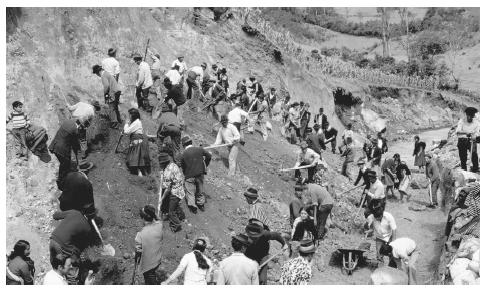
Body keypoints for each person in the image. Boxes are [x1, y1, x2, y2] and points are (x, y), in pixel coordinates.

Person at [48, 119, 88, 189]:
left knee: (64, 164)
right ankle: (61, 184)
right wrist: (78, 162)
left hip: (55, 144)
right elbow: (75, 145)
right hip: (61, 149)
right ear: (80, 126)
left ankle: (63, 179)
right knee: (65, 165)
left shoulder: (69, 121)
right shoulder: (75, 130)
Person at [181, 135, 212, 214]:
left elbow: (183, 166)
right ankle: (201, 205)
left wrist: (186, 174)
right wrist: (205, 164)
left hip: (189, 175)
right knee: (200, 189)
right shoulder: (199, 149)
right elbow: (209, 155)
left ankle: (193, 207)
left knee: (190, 191)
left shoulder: (183, 154)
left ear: (184, 145)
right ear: (191, 142)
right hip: (199, 173)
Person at [134, 205, 163, 285]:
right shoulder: (159, 226)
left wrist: (137, 253)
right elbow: (158, 219)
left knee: (150, 280)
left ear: (143, 218)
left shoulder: (140, 235)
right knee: (153, 276)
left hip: (148, 265)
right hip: (157, 260)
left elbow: (138, 251)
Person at [158, 153, 185, 232]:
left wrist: (162, 199)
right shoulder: (173, 165)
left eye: (160, 164)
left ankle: (176, 225)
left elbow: (167, 189)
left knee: (171, 212)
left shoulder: (167, 172)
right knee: (174, 206)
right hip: (180, 190)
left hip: (175, 193)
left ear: (163, 163)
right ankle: (181, 216)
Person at [123, 108, 151, 176]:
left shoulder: (136, 122)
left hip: (136, 141)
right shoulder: (137, 122)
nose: (129, 117)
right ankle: (141, 174)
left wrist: (126, 123)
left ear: (133, 116)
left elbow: (127, 132)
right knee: (138, 158)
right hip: (138, 141)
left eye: (129, 115)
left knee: (135, 158)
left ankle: (139, 175)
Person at [456, 107, 480, 172]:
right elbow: (458, 131)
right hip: (462, 140)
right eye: (470, 116)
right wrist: (466, 133)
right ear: (467, 115)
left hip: (472, 140)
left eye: (472, 116)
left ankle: (475, 169)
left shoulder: (476, 122)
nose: (471, 118)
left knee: (474, 155)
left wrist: (474, 136)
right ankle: (464, 170)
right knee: (463, 157)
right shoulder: (462, 121)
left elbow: (477, 132)